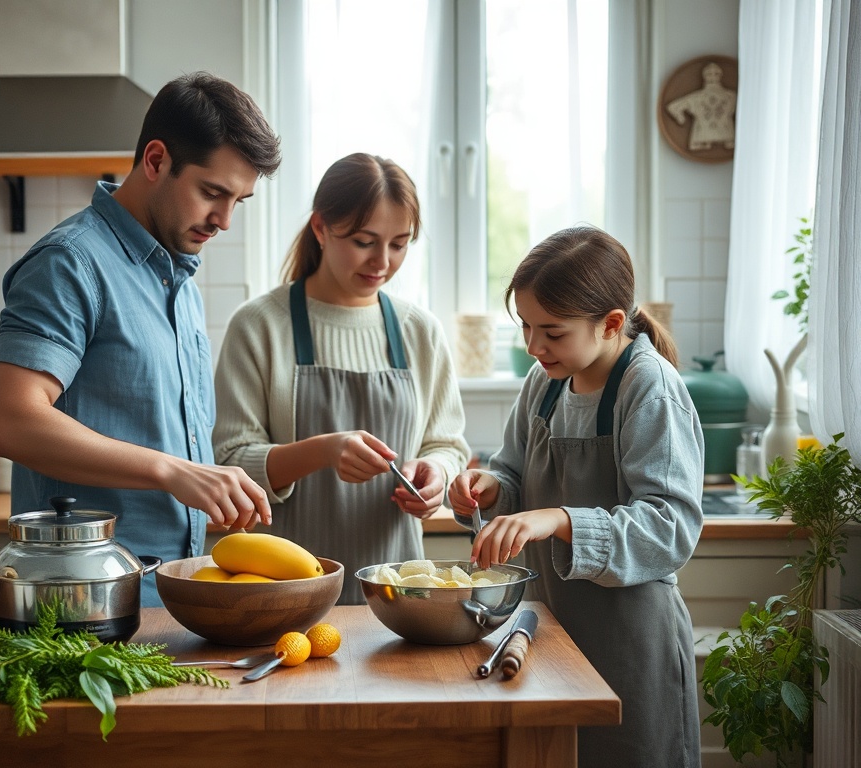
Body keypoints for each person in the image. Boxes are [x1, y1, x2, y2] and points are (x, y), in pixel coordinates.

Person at [0, 72, 281, 606]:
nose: (224, 220)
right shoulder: (70, 263)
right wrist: (171, 470)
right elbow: (7, 421)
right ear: (156, 160)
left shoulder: (180, 278)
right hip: (81, 612)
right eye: (213, 193)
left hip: (170, 601)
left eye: (239, 200)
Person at [447, 226, 703, 768]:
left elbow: (670, 527)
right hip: (551, 632)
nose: (535, 347)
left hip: (630, 647)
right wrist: (491, 489)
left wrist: (559, 519)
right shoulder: (545, 382)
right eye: (525, 327)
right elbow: (512, 473)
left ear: (611, 324)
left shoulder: (649, 388)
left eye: (553, 332)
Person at [212, 153, 470, 604]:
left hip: (397, 595)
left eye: (399, 243)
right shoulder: (258, 326)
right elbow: (231, 460)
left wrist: (437, 476)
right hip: (283, 598)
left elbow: (446, 444)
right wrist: (324, 451)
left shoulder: (420, 331)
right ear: (320, 228)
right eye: (364, 241)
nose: (382, 262)